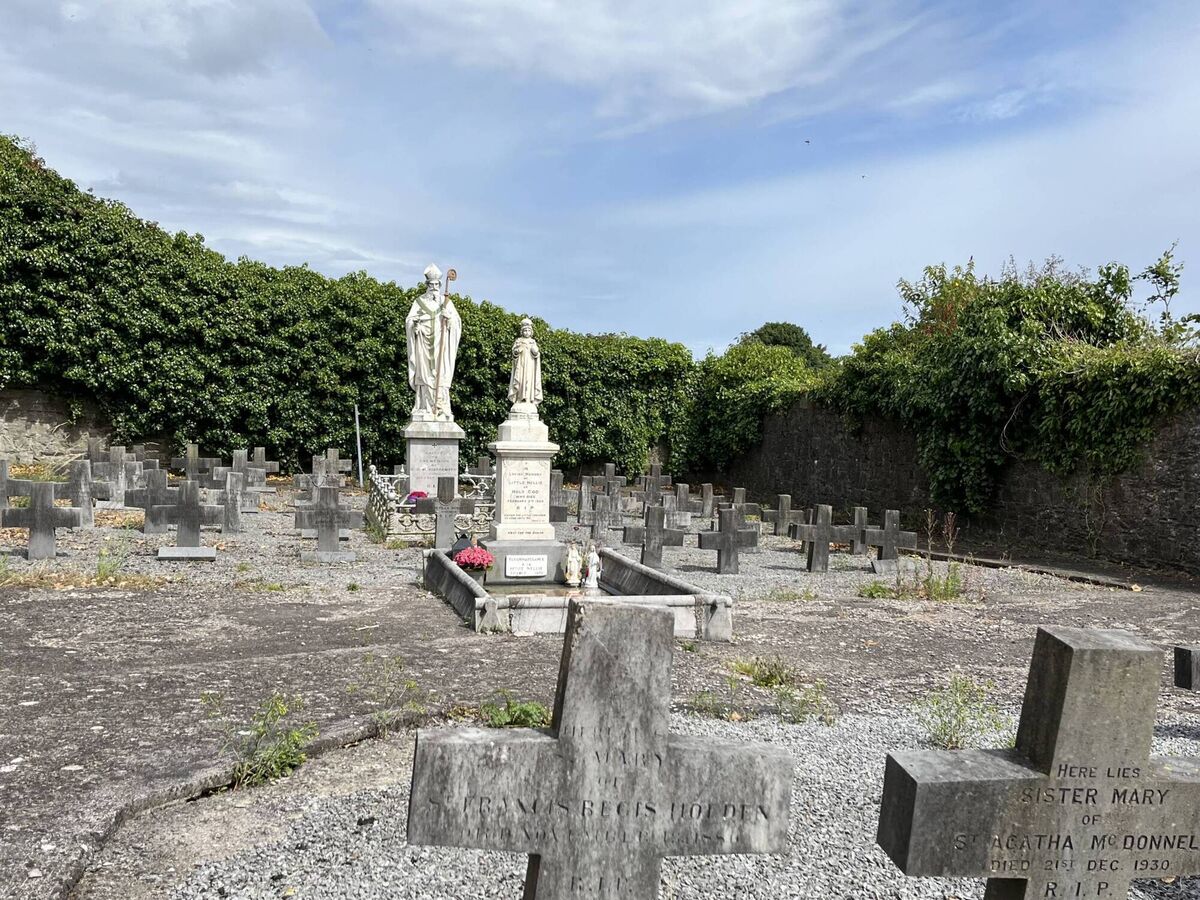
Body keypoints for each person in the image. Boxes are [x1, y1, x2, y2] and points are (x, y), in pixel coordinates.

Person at [406, 264, 461, 420]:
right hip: (423, 343)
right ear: (427, 285)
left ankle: (441, 407)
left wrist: (448, 318)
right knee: (424, 375)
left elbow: (456, 324)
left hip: (440, 345)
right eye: (431, 285)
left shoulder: (446, 302)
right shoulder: (419, 302)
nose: (434, 287)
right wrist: (414, 325)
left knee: (440, 374)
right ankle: (424, 406)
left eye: (437, 285)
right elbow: (409, 321)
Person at [507, 317, 543, 409]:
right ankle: (519, 398)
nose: (527, 332)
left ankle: (528, 398)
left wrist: (535, 352)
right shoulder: (518, 341)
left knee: (529, 381)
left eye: (528, 331)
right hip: (521, 365)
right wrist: (517, 351)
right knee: (520, 380)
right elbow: (514, 353)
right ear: (522, 332)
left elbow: (537, 354)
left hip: (530, 366)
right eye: (525, 330)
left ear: (531, 332)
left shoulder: (533, 342)